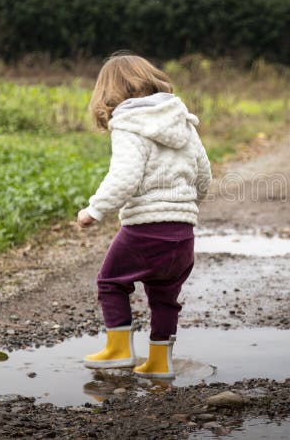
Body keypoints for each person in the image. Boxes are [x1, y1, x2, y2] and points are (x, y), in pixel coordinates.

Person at [77, 53, 211, 378]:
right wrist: (186, 207)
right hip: (183, 231)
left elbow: (125, 176)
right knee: (165, 297)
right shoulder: (183, 120)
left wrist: (94, 209)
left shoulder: (127, 124)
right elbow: (203, 174)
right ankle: (159, 363)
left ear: (109, 93)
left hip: (145, 229)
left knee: (110, 281)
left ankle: (120, 349)